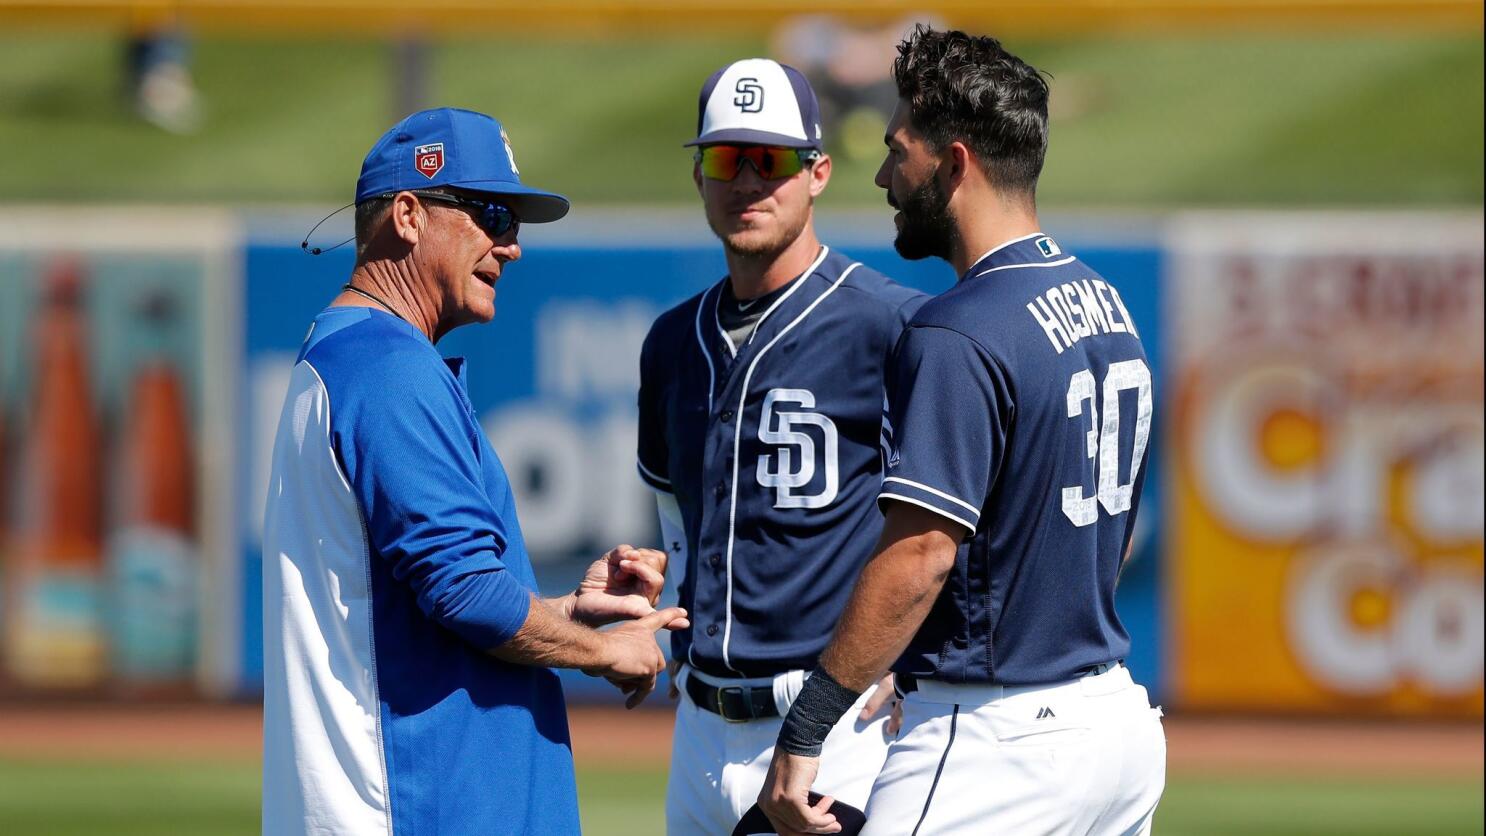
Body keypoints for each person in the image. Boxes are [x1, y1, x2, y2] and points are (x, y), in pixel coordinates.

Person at [759, 26, 1166, 835]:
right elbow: (1113, 535)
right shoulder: (1107, 305)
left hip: (995, 745)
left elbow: (919, 557)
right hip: (1117, 729)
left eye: (896, 149)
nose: (882, 174)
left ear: (953, 162)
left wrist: (808, 727)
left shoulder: (957, 329)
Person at [261, 107, 686, 836]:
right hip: (415, 806)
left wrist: (563, 615)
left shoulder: (347, 357)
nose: (511, 246)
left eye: (514, 224)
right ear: (408, 215)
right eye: (491, 214)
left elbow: (422, 605)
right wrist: (602, 648)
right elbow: (463, 592)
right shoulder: (387, 368)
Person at [635, 59, 926, 834]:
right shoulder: (671, 342)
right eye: (729, 159)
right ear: (700, 174)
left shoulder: (890, 324)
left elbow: (977, 495)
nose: (750, 182)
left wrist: (928, 646)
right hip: (698, 729)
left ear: (818, 173)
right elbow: (670, 501)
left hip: (829, 726)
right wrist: (667, 597)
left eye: (775, 160)